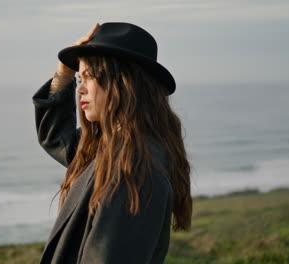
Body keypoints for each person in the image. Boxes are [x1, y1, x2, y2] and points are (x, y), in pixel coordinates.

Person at [32, 22, 192, 264]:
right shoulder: (112, 148)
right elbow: (56, 138)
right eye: (79, 78)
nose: (80, 90)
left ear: (123, 82)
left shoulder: (134, 169)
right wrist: (64, 73)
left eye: (88, 77)